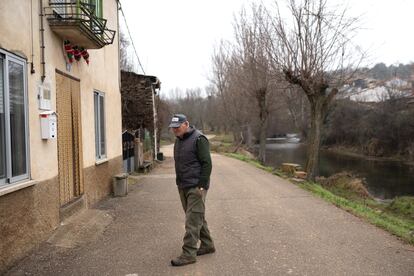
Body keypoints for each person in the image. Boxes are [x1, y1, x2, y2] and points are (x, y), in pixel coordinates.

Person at [168, 114, 215, 266]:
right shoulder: (179, 140)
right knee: (196, 217)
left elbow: (207, 163)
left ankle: (188, 254)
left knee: (191, 221)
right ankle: (207, 245)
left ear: (186, 124)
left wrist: (201, 185)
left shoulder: (199, 139)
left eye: (177, 126)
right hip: (183, 185)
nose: (174, 130)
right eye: (173, 128)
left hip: (196, 186)